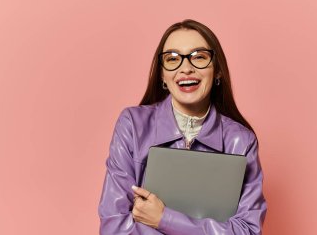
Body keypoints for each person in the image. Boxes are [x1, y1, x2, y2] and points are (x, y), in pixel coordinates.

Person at [98, 19, 267, 235]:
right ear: (162, 75)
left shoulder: (242, 142)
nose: (186, 68)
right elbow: (113, 225)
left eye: (199, 57)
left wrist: (164, 219)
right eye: (172, 59)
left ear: (217, 71)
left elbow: (248, 231)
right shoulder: (132, 125)